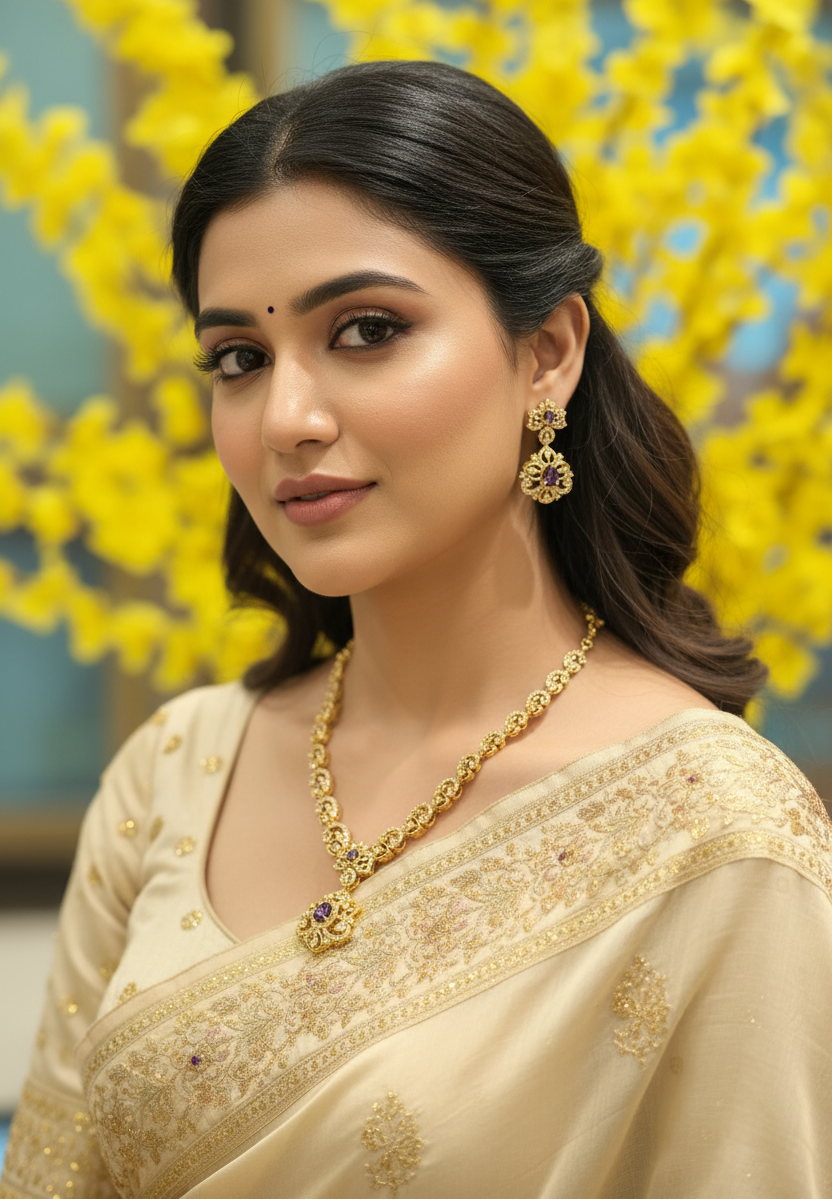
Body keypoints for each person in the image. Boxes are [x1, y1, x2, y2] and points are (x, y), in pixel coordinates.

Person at [2, 60, 831, 1199]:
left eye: (367, 330)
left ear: (547, 353)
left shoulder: (711, 831)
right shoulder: (176, 773)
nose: (286, 418)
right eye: (238, 357)